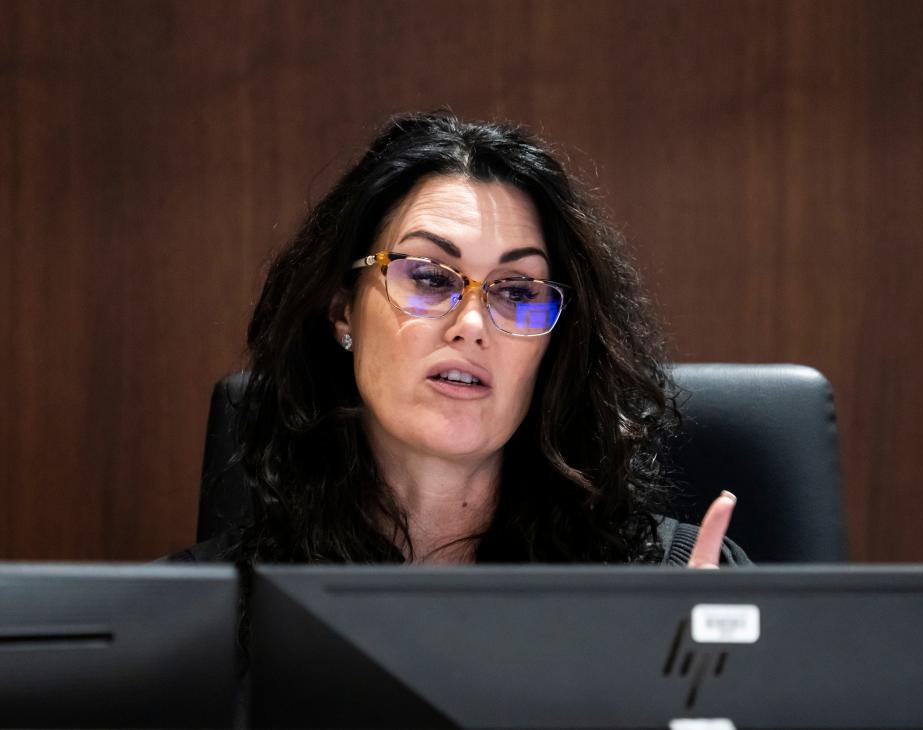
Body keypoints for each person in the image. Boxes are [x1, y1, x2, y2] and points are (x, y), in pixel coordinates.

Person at [173, 111, 747, 568]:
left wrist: (691, 689)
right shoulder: (210, 623)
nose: (471, 324)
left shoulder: (677, 587)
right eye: (426, 276)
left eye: (517, 292)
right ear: (342, 309)